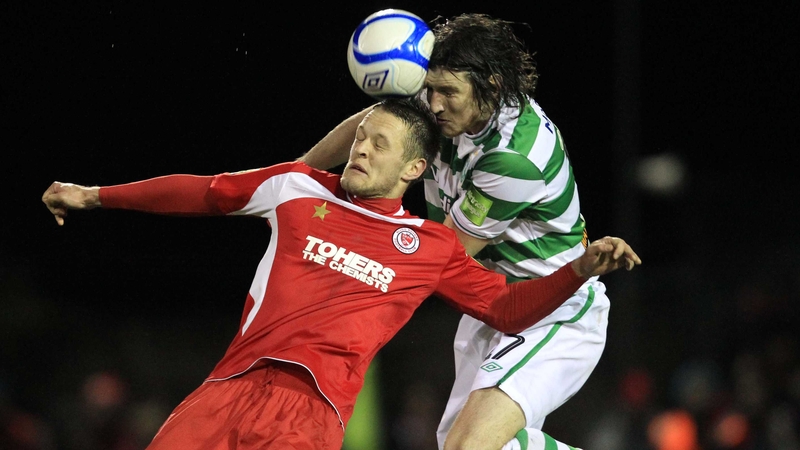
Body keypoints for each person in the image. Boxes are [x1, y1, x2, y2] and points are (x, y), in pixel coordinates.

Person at [43, 98, 640, 450]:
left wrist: (580, 268)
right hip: (226, 387)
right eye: (359, 138)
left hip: (310, 415)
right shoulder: (297, 188)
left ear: (413, 167)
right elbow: (205, 192)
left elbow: (507, 310)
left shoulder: (430, 245)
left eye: (379, 144)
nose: (360, 149)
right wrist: (94, 195)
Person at [299, 13, 618, 450]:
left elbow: (442, 256)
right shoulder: (446, 101)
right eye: (430, 89)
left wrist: (347, 271)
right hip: (491, 305)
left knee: (469, 447)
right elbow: (372, 126)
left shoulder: (514, 159)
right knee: (459, 445)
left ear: (491, 86)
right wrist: (297, 176)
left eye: (448, 92)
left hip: (551, 309)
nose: (433, 105)